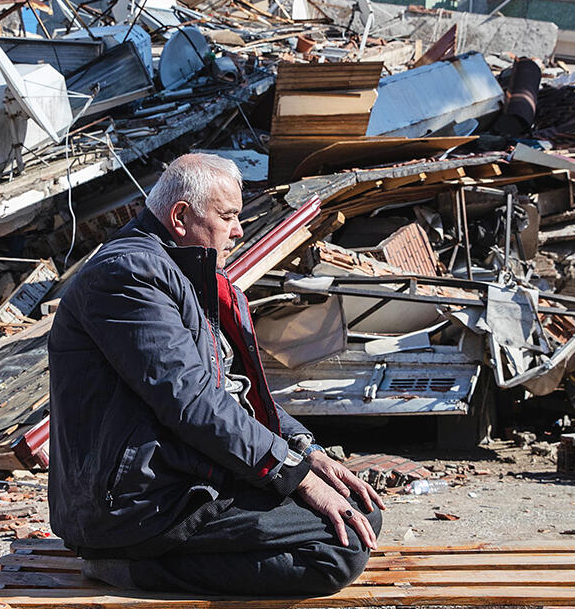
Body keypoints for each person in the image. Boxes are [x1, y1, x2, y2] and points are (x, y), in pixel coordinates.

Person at [48, 153, 384, 596]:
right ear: (181, 215)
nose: (239, 230)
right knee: (337, 550)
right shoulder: (127, 276)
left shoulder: (185, 276)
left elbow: (235, 394)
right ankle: (123, 566)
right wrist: (295, 475)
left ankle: (150, 558)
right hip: (137, 504)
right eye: (228, 216)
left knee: (357, 510)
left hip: (179, 482)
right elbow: (192, 402)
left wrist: (307, 451)